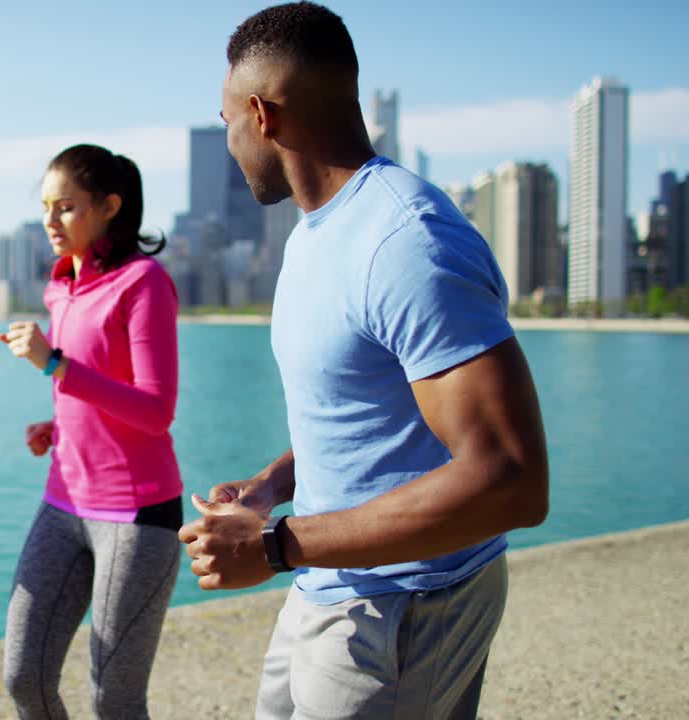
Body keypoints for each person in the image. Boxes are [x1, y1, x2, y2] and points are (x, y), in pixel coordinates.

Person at [177, 4, 550, 719]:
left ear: (261, 115)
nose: (229, 143)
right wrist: (271, 488)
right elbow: (372, 412)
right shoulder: (315, 234)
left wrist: (275, 546)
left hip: (404, 606)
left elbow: (512, 480)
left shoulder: (408, 241)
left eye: (226, 122)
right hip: (325, 583)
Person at [0, 144, 183, 719]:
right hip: (62, 503)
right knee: (23, 678)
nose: (50, 221)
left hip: (136, 515)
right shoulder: (61, 289)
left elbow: (156, 410)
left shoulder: (143, 282)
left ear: (108, 207)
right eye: (45, 208)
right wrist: (58, 426)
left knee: (114, 701)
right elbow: (97, 385)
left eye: (66, 206)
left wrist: (54, 364)